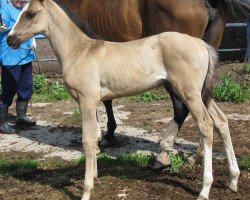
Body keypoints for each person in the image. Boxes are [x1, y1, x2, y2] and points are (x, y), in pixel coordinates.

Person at [0, 0, 36, 134]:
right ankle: (2, 122)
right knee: (9, 89)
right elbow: (1, 23)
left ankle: (21, 117)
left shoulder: (25, 10)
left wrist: (33, 40)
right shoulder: (5, 10)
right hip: (10, 57)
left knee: (26, 87)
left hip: (25, 55)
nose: (21, 0)